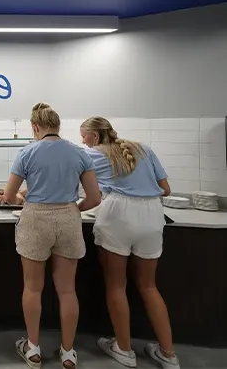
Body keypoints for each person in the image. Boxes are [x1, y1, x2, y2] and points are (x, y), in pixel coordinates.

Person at [4, 103, 101, 369]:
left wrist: (25, 198)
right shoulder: (78, 153)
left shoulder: (27, 152)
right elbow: (94, 198)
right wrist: (72, 209)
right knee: (68, 290)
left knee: (33, 288)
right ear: (58, 126)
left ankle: (33, 349)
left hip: (36, 219)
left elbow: (8, 196)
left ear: (36, 127)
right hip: (69, 219)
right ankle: (68, 353)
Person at [80, 116, 179, 369]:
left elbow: (83, 191)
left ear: (93, 137)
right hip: (152, 215)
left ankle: (124, 350)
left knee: (116, 285)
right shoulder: (143, 148)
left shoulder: (92, 156)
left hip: (118, 216)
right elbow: (165, 189)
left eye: (84, 138)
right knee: (148, 286)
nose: (84, 143)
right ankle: (168, 354)